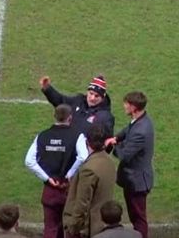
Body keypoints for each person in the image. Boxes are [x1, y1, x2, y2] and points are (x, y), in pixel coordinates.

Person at [26, 104, 90, 238]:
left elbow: (29, 161)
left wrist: (47, 178)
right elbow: (83, 156)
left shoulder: (42, 136)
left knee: (50, 228)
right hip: (69, 189)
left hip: (50, 190)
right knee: (71, 228)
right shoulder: (77, 136)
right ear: (70, 118)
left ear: (54, 116)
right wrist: (69, 174)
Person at [105, 92, 154, 238]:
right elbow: (128, 129)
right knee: (136, 216)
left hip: (136, 181)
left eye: (126, 104)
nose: (124, 106)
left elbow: (124, 156)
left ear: (133, 107)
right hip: (135, 179)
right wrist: (117, 137)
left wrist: (114, 145)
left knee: (138, 219)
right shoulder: (141, 120)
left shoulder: (140, 131)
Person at [63, 124, 117, 238]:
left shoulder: (89, 169)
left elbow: (82, 203)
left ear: (87, 142)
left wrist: (73, 227)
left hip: (88, 228)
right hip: (103, 224)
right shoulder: (110, 162)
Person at [40, 74, 115, 136]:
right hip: (69, 148)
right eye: (91, 93)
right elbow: (61, 101)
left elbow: (107, 140)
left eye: (97, 96)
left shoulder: (105, 116)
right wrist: (47, 89)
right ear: (87, 92)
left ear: (102, 97)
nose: (92, 98)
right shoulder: (78, 101)